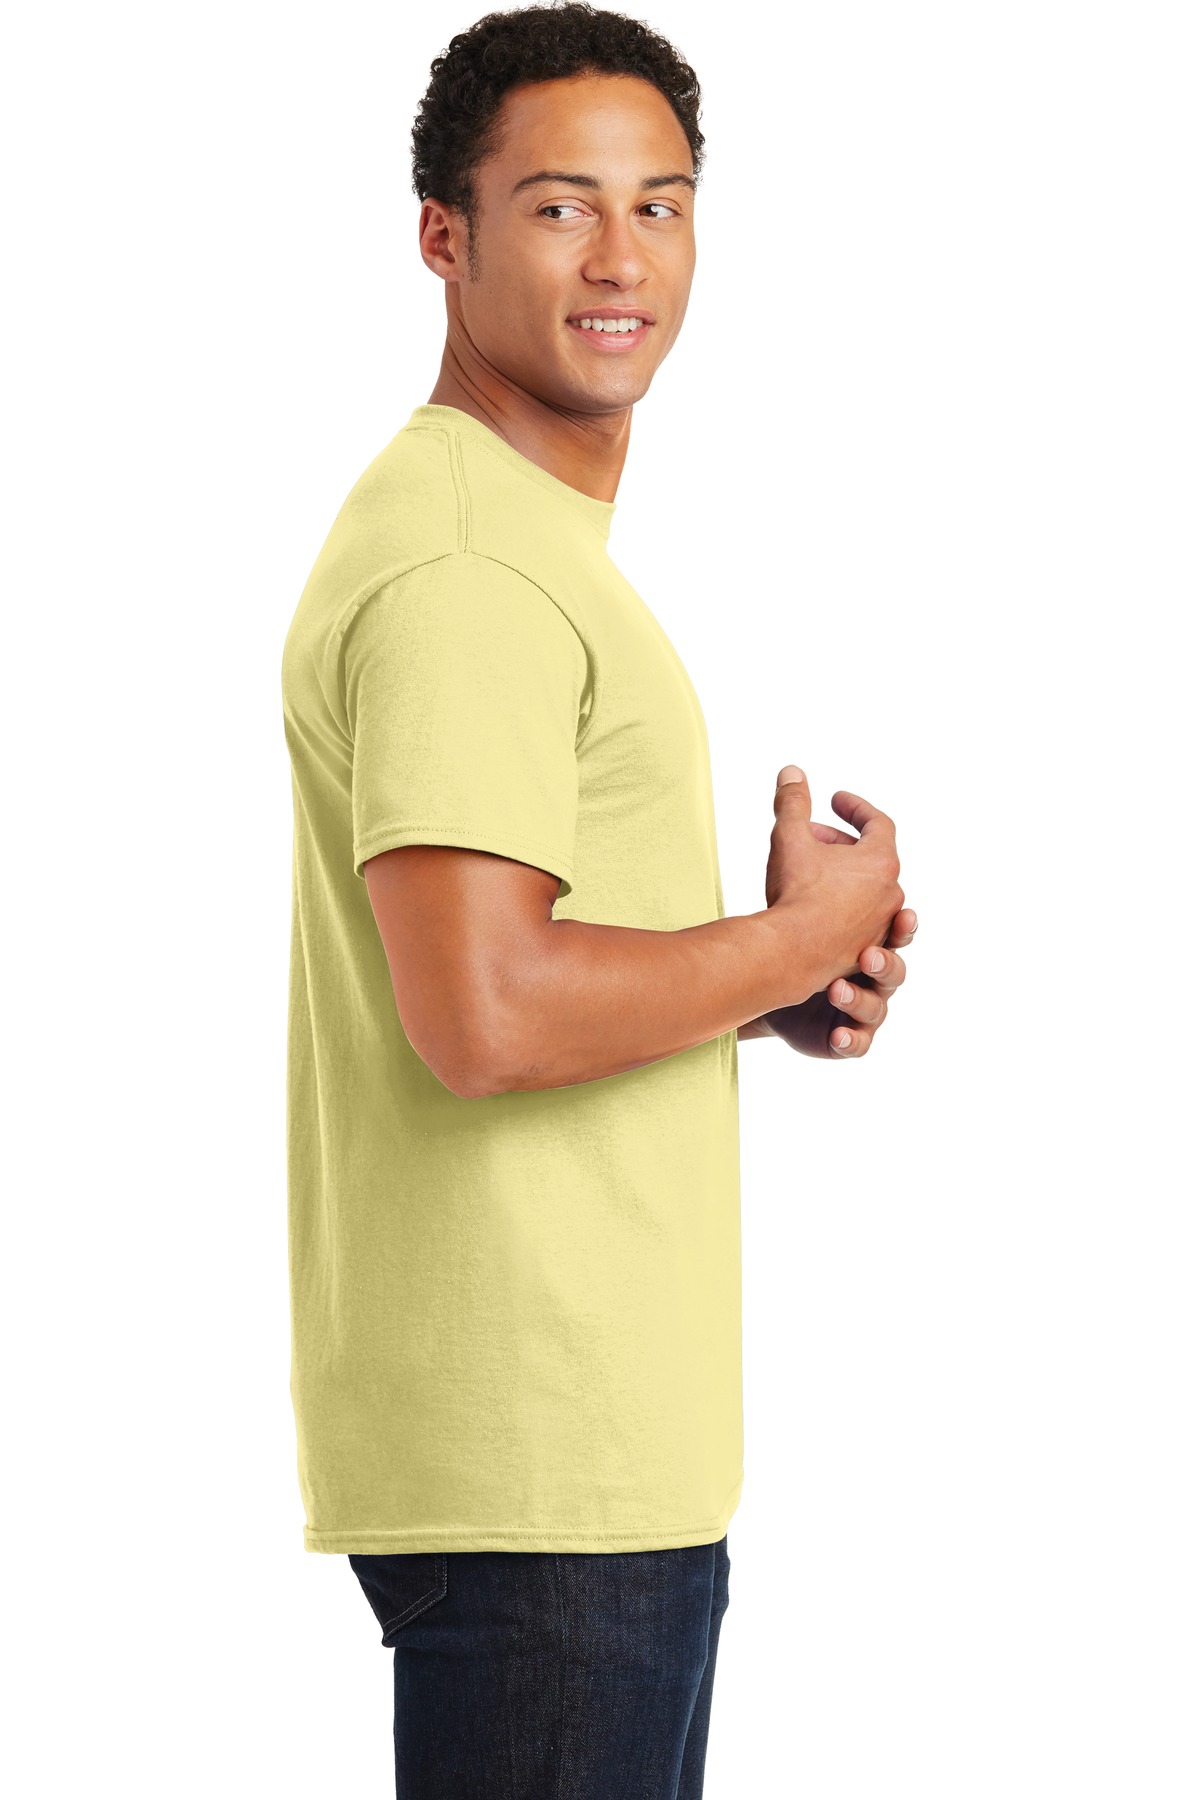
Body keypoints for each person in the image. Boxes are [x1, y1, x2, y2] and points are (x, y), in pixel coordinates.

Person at [279, 5, 917, 1794]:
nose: (623, 257)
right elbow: (484, 1014)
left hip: (578, 1462)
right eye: (560, 207)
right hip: (544, 1469)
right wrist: (793, 936)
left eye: (663, 205)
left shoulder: (512, 535)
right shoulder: (471, 565)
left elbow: (511, 970)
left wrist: (765, 988)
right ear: (444, 236)